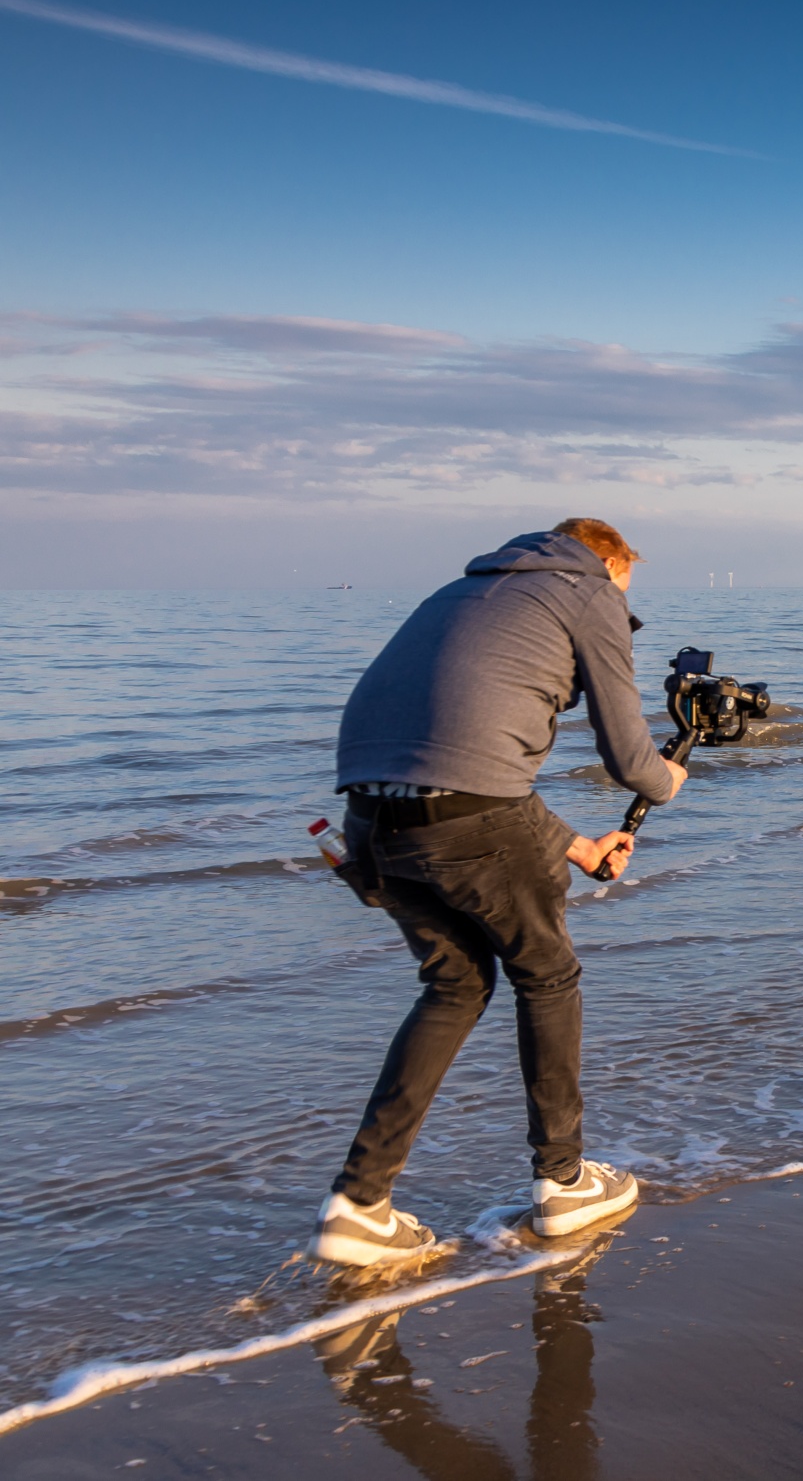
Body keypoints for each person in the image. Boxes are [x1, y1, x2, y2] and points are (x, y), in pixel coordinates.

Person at [310, 518, 687, 1268]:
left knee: (454, 983)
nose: (626, 604)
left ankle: (357, 1204)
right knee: (547, 975)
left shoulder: (464, 591)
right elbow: (629, 756)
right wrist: (666, 779)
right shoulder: (586, 590)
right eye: (627, 586)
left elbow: (458, 758)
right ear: (608, 559)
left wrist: (577, 846)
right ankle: (563, 1182)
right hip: (467, 815)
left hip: (366, 818)